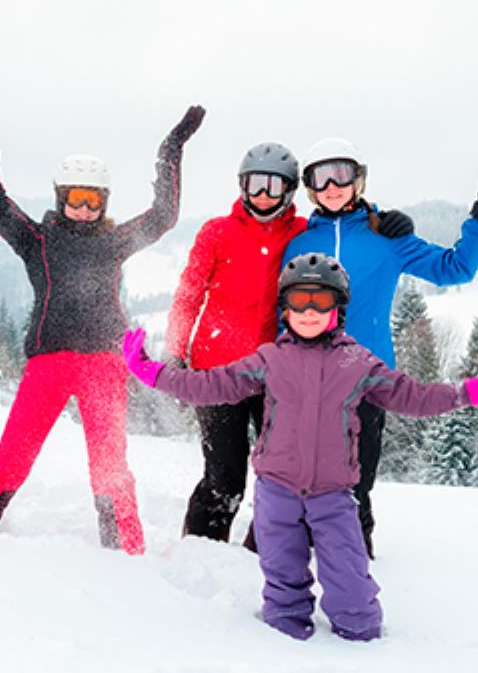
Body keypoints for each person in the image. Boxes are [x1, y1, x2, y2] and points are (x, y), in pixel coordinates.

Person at [123, 253, 478, 639]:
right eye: (300, 300)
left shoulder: (359, 363)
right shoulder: (268, 359)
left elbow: (416, 396)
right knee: (283, 587)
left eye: (321, 300)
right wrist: (150, 370)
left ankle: (363, 648)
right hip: (276, 492)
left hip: (333, 496)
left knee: (351, 588)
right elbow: (208, 386)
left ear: (339, 308)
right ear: (285, 307)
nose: (310, 310)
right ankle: (286, 651)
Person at [0, 81, 204, 555]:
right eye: (75, 198)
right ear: (61, 196)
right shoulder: (36, 240)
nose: (83, 209)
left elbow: (164, 216)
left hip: (104, 364)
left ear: (104, 202)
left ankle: (126, 553)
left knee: (110, 466)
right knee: (12, 458)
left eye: (93, 200)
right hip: (48, 363)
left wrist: (171, 151)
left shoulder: (115, 241)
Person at [282, 137, 478, 558]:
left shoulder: (387, 238)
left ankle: (355, 565)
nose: (331, 185)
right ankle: (285, 560)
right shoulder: (298, 244)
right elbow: (278, 313)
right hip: (303, 383)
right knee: (292, 480)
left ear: (357, 178)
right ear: (308, 186)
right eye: (319, 177)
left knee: (355, 485)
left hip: (366, 380)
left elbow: (457, 268)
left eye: (340, 173)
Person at [165, 143, 414, 545]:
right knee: (224, 476)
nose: (264, 195)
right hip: (218, 369)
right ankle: (201, 550)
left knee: (279, 475)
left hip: (277, 376)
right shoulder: (217, 232)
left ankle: (262, 550)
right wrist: (175, 353)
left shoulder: (300, 234)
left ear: (291, 191)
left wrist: (381, 218)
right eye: (255, 184)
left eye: (275, 186)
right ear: (242, 186)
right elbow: (188, 294)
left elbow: (343, 230)